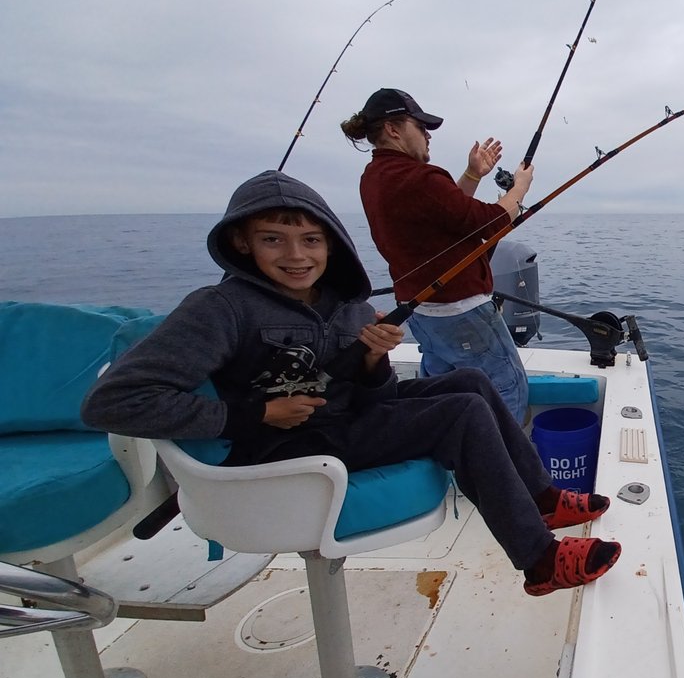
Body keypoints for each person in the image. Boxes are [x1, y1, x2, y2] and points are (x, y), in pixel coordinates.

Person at [81, 170, 617, 597]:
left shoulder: (347, 306)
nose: (296, 256)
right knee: (461, 415)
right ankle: (540, 561)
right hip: (288, 447)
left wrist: (372, 361)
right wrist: (256, 415)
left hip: (346, 419)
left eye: (311, 240)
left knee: (471, 381)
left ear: (331, 244)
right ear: (243, 243)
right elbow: (112, 402)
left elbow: (377, 400)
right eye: (274, 239)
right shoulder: (219, 310)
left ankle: (541, 497)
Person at [340, 88, 532, 424]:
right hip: (462, 312)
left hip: (422, 312)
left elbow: (450, 215)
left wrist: (473, 174)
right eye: (421, 126)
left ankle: (450, 462)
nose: (428, 136)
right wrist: (519, 188)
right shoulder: (419, 178)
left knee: (442, 393)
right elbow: (489, 223)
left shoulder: (374, 177)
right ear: (393, 129)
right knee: (508, 389)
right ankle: (501, 468)